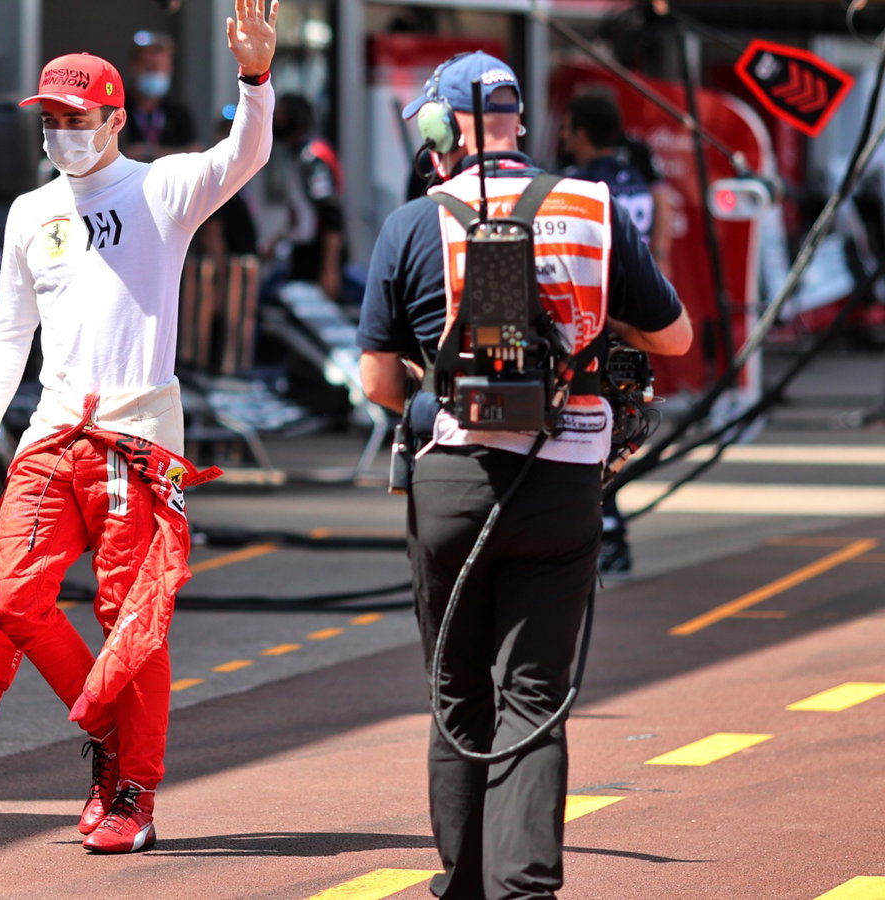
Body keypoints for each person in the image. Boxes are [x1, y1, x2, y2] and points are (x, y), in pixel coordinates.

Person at [358, 52, 692, 899]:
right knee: (534, 694)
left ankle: (461, 884)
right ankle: (525, 890)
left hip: (448, 486)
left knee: (455, 687)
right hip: (562, 482)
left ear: (438, 128)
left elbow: (377, 384)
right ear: (517, 121)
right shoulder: (591, 207)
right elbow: (677, 339)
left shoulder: (410, 223)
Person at [0, 0, 277, 854]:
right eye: (51, 120)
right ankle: (102, 732)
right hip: (54, 434)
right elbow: (13, 329)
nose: (62, 133)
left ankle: (133, 789)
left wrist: (255, 79)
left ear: (114, 120)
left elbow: (244, 155)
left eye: (76, 119)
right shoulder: (28, 213)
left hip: (141, 437)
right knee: (16, 592)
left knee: (128, 619)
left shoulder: (161, 187)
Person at [560, 90, 675, 581]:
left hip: (599, 325)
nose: (563, 137)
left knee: (590, 434)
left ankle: (606, 537)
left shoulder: (580, 186)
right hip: (637, 320)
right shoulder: (635, 176)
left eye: (567, 129)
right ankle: (608, 535)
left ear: (581, 133)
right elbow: (665, 208)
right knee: (620, 433)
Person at [260, 92, 346, 305]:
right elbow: (298, 216)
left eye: (280, 116)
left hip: (316, 257)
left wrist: (329, 270)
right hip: (300, 254)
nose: (275, 122)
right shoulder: (297, 155)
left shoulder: (313, 157)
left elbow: (331, 217)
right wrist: (275, 243)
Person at [120, 31, 197, 162]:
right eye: (149, 68)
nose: (155, 74)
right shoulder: (118, 108)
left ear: (170, 69)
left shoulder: (178, 112)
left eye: (160, 68)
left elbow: (195, 152)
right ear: (132, 67)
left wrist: (149, 153)